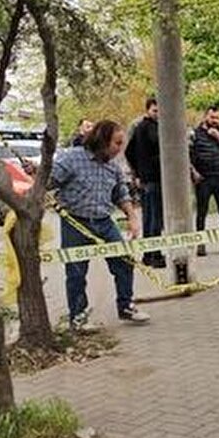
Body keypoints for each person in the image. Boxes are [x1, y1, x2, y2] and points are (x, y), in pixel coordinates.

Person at [50, 120, 150, 330]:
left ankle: (126, 306)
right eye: (117, 143)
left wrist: (132, 218)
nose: (120, 149)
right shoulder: (71, 158)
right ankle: (78, 317)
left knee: (124, 262)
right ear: (102, 140)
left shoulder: (113, 167)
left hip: (104, 222)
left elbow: (121, 194)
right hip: (75, 223)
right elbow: (49, 181)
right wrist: (36, 173)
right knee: (76, 272)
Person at [124, 98, 164, 268]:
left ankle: (149, 254)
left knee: (150, 217)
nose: (158, 114)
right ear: (147, 110)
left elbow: (129, 151)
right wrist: (139, 171)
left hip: (150, 178)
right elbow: (130, 151)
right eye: (155, 110)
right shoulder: (147, 128)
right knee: (154, 218)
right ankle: (154, 254)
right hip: (152, 178)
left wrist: (138, 171)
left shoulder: (143, 127)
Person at [191, 106, 219, 256]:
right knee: (201, 212)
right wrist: (193, 172)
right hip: (203, 178)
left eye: (217, 118)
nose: (215, 121)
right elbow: (186, 154)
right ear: (205, 117)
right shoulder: (194, 133)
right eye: (212, 117)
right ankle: (200, 243)